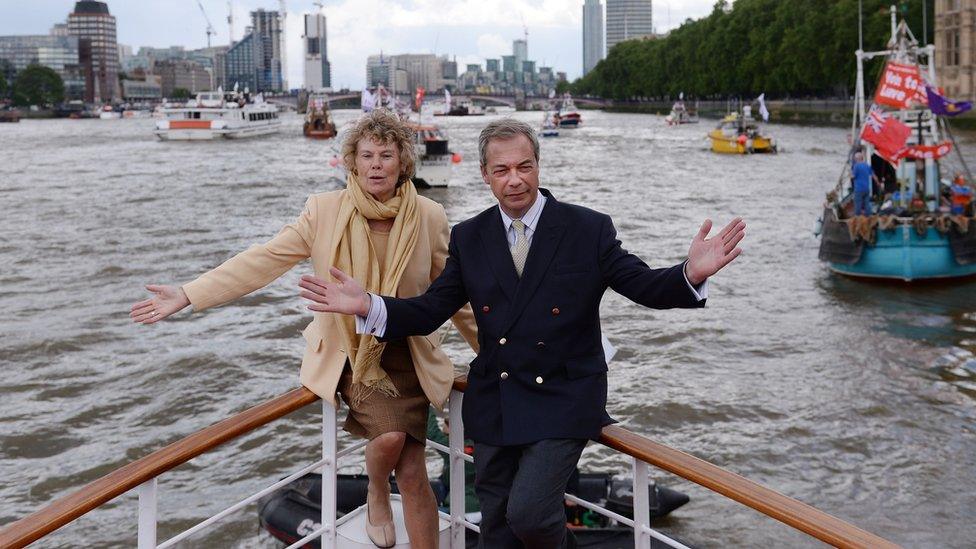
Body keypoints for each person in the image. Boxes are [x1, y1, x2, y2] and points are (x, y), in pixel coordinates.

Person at [298, 118, 745, 548]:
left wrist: (689, 273)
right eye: (502, 170)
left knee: (530, 513)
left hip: (564, 399)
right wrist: (369, 305)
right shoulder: (470, 237)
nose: (515, 180)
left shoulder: (587, 228)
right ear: (485, 176)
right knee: (497, 526)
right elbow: (432, 309)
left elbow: (643, 284)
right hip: (497, 400)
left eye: (523, 167)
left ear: (538, 165)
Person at [129, 109, 477, 549]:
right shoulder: (323, 210)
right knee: (391, 440)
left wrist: (494, 349)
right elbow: (263, 259)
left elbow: (455, 294)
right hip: (353, 354)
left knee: (411, 470)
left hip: (408, 350)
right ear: (351, 162)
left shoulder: (429, 216)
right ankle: (375, 490)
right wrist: (189, 294)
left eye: (385, 156)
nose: (375, 165)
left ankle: (385, 499)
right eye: (366, 155)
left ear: (402, 163)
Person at [851, 152, 879, 216]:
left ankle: (857, 218)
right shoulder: (867, 165)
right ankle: (868, 218)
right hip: (866, 189)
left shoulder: (856, 166)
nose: (855, 159)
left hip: (859, 189)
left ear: (858, 158)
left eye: (855, 158)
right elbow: (874, 176)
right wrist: (878, 183)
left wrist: (850, 174)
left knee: (858, 205)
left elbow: (853, 176)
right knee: (867, 205)